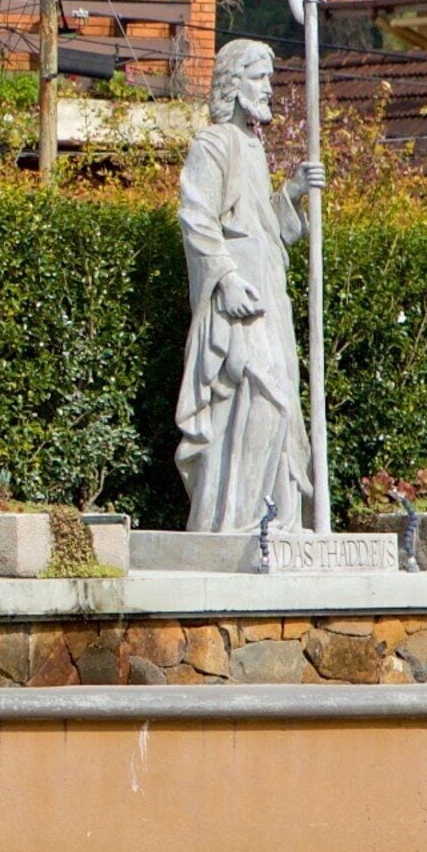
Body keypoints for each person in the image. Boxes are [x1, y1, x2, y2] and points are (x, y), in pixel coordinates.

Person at [175, 39, 321, 534]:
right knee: (259, 397)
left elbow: (264, 228)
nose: (269, 91)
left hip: (268, 294)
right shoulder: (212, 144)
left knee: (279, 406)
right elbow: (197, 219)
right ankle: (230, 519)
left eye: (271, 81)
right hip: (236, 300)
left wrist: (293, 194)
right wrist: (228, 279)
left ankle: (266, 514)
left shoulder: (254, 148)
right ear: (234, 85)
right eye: (260, 80)